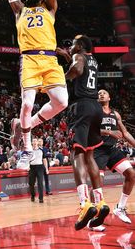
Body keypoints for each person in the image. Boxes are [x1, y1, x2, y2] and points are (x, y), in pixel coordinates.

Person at [6, 0, 68, 170]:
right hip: (30, 59)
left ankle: (23, 125)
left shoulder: (49, 8)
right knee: (26, 104)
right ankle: (27, 149)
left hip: (50, 60)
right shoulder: (19, 11)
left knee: (62, 102)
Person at [64, 35, 109, 230]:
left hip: (81, 107)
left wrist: (63, 78)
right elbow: (81, 65)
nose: (71, 47)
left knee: (77, 153)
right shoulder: (94, 60)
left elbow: (77, 69)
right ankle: (100, 202)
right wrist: (68, 56)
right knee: (90, 153)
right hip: (95, 108)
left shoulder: (80, 57)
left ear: (80, 46)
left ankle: (84, 204)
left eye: (73, 45)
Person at [92, 89, 135, 225]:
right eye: (98, 94)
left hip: (111, 150)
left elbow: (125, 133)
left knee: (131, 174)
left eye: (104, 93)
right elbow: (88, 130)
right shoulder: (94, 112)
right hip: (97, 150)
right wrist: (109, 132)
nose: (101, 94)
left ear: (109, 97)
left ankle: (120, 208)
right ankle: (94, 215)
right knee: (98, 183)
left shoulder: (115, 114)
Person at [28, 138, 48, 203]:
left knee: (40, 183)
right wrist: (27, 166)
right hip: (32, 167)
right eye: (33, 141)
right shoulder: (29, 151)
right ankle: (33, 196)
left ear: (37, 142)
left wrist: (46, 169)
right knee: (31, 183)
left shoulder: (41, 150)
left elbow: (44, 160)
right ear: (32, 143)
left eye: (35, 141)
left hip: (40, 167)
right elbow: (27, 160)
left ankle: (41, 198)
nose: (34, 142)